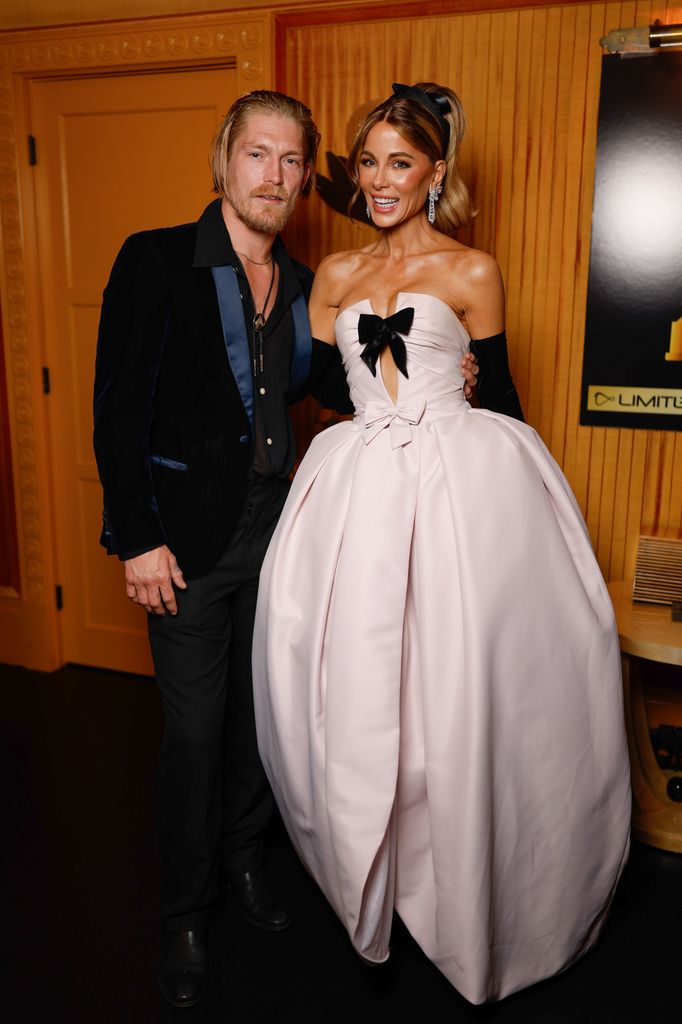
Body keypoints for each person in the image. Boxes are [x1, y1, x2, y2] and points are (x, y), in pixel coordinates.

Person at [93, 86, 483, 1009]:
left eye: (291, 160)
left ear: (308, 178)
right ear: (225, 160)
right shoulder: (155, 262)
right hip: (184, 547)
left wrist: (443, 368)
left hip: (288, 536)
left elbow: (333, 392)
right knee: (192, 734)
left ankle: (246, 867)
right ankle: (185, 915)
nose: (274, 174)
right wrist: (137, 537)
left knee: (263, 723)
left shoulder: (312, 282)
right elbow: (115, 409)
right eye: (257, 154)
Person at [252, 83, 631, 1005]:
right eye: (369, 162)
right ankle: (368, 863)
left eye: (400, 163)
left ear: (434, 174)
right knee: (350, 679)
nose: (381, 180)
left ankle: (457, 877)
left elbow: (503, 402)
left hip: (457, 492)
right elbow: (329, 395)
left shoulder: (473, 271)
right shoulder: (333, 276)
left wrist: (461, 378)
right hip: (356, 487)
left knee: (452, 690)